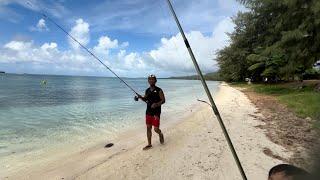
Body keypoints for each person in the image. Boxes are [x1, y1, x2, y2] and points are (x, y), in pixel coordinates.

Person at [136, 74, 165, 150]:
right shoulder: (147, 90)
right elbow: (145, 99)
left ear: (155, 81)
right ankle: (149, 144)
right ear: (148, 81)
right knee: (148, 128)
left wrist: (156, 104)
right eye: (149, 79)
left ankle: (160, 134)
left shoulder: (159, 90)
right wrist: (140, 97)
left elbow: (163, 100)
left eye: (153, 79)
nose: (151, 80)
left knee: (156, 129)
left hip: (156, 113)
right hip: (148, 112)